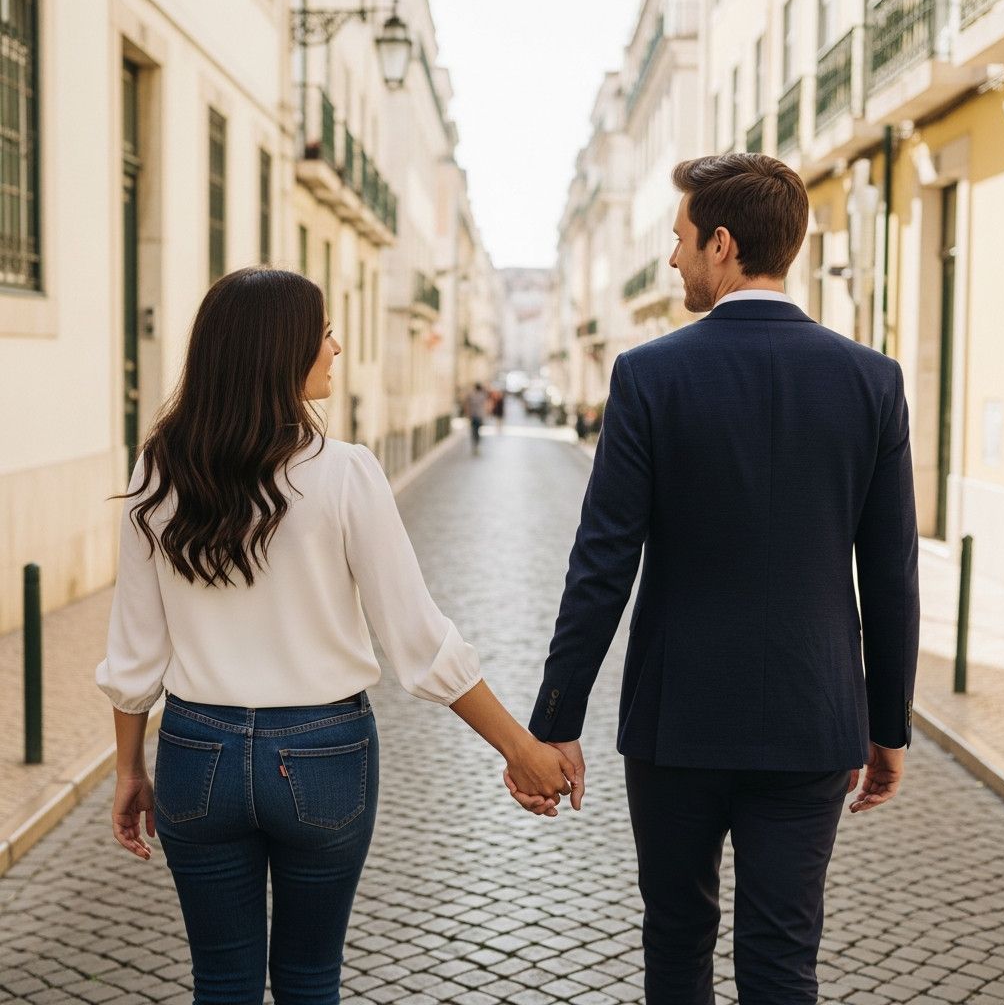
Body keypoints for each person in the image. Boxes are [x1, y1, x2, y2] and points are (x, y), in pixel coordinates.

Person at [96, 267, 575, 1005]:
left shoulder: (161, 470)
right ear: (279, 351)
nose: (337, 346)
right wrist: (521, 750)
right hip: (323, 754)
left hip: (198, 753)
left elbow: (134, 657)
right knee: (310, 980)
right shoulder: (346, 473)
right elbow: (419, 643)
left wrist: (130, 769)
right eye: (323, 333)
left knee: (220, 984)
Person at [506, 153, 920, 1004]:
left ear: (721, 246)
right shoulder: (871, 381)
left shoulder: (651, 375)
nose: (671, 258)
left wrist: (556, 719)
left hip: (677, 723)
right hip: (814, 718)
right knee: (781, 959)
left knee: (677, 941)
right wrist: (888, 726)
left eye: (681, 239)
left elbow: (603, 562)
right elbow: (892, 572)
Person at [466, 382, 489, 454]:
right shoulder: (483, 395)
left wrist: (468, 414)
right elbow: (485, 405)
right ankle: (477, 445)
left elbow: (467, 405)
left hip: (473, 416)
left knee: (473, 431)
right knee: (478, 431)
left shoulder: (471, 395)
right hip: (479, 416)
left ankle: (474, 446)